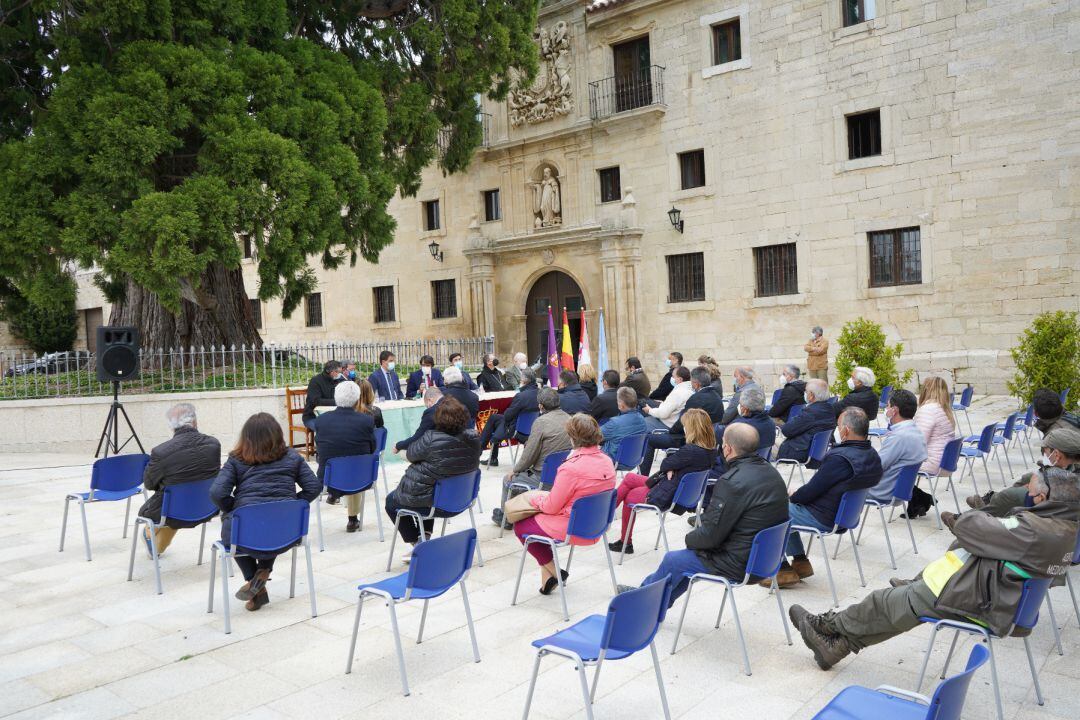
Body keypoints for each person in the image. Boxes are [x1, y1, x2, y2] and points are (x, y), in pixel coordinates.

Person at [788, 467, 1080, 671]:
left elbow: (968, 525)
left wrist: (986, 520)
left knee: (885, 603)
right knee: (898, 607)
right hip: (1003, 598)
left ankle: (828, 625)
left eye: (1029, 493)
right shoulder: (1065, 529)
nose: (1026, 498)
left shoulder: (1031, 528)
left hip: (981, 600)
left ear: (1043, 499)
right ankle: (834, 646)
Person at [619, 424, 789, 607]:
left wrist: (690, 539)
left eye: (722, 443)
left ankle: (640, 601)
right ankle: (651, 599)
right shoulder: (772, 472)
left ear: (728, 448)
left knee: (675, 560)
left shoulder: (731, 482)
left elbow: (710, 535)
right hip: (767, 560)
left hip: (739, 563)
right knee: (688, 559)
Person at [210, 413, 322, 612]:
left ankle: (254, 580)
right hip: (287, 530)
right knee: (271, 523)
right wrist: (292, 507)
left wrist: (232, 507)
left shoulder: (236, 459)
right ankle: (262, 572)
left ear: (246, 437)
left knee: (234, 528)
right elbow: (314, 487)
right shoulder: (292, 457)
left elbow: (217, 493)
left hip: (246, 531)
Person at [773, 407, 883, 587]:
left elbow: (810, 491)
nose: (836, 430)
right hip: (844, 515)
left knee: (773, 510)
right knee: (786, 509)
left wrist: (793, 496)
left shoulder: (839, 458)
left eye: (838, 426)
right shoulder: (872, 455)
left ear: (846, 430)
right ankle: (800, 563)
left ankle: (783, 569)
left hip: (824, 517)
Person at [513, 414, 616, 595]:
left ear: (572, 438)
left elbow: (551, 507)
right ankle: (548, 581)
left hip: (573, 527)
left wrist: (535, 498)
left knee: (521, 525)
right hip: (597, 524)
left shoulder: (571, 468)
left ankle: (556, 572)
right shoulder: (607, 461)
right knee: (537, 524)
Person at [384, 397, 481, 563]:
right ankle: (424, 537)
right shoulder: (473, 437)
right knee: (428, 487)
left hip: (436, 502)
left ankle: (418, 543)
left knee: (391, 502)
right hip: (461, 499)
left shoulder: (430, 438)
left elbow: (411, 454)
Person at [608, 408, 717, 555]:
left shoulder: (690, 451)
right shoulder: (710, 450)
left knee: (629, 496)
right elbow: (669, 464)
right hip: (676, 490)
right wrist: (671, 467)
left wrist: (670, 467)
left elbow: (666, 463)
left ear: (692, 428)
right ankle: (607, 515)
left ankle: (622, 538)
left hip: (667, 494)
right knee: (629, 478)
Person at [137, 403, 221, 557]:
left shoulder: (160, 452)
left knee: (167, 505)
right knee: (177, 499)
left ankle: (152, 538)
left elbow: (149, 484)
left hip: (174, 512)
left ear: (171, 426)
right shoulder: (214, 444)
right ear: (195, 422)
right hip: (208, 508)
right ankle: (156, 545)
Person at [492, 387, 572, 527]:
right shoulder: (569, 418)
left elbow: (529, 455)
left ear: (541, 405)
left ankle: (506, 518)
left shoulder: (541, 422)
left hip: (542, 477)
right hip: (561, 474)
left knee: (508, 479)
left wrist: (515, 470)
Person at [970, 428, 1080, 517]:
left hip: (1060, 515)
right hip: (1063, 505)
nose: (1045, 456)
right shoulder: (1072, 465)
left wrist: (1033, 496)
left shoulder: (1073, 479)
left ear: (1057, 454)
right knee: (1027, 478)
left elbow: (1060, 497)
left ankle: (970, 521)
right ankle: (992, 505)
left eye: (1046, 453)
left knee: (1009, 495)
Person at [313, 381, 377, 532]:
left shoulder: (321, 420)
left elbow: (320, 447)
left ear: (336, 397)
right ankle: (352, 519)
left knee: (341, 465)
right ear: (357, 398)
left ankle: (337, 498)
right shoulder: (366, 420)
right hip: (361, 478)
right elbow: (372, 448)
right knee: (354, 467)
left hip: (328, 479)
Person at [639, 367, 725, 476]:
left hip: (691, 440)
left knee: (649, 439)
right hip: (709, 440)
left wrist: (670, 433)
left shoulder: (696, 398)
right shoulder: (717, 397)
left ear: (696, 383)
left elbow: (682, 422)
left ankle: (642, 476)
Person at [866, 389, 928, 505]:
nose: (886, 410)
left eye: (888, 406)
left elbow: (876, 467)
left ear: (894, 410)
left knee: (835, 487)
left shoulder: (899, 437)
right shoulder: (916, 431)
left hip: (881, 491)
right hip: (898, 490)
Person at [480, 368, 539, 468]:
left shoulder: (521, 396)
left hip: (517, 430)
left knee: (494, 420)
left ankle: (482, 450)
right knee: (494, 418)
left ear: (524, 380)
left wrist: (507, 411)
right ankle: (491, 456)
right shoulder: (540, 393)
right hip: (533, 427)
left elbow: (508, 416)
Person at [777, 379, 837, 466]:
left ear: (811, 395)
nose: (804, 393)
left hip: (801, 452)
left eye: (806, 391)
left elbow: (786, 431)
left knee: (767, 444)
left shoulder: (810, 412)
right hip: (818, 451)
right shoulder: (830, 408)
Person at [913, 376, 957, 475]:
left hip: (932, 464)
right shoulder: (945, 410)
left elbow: (919, 443)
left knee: (892, 465)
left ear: (925, 390)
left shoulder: (927, 410)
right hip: (946, 463)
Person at [600, 387, 647, 462]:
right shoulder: (642, 420)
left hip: (612, 460)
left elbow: (593, 436)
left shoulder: (614, 423)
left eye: (618, 400)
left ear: (621, 405)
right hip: (634, 460)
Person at [642, 366, 693, 432]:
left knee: (641, 423)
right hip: (674, 423)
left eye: (673, 376)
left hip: (667, 425)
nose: (671, 378)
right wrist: (663, 403)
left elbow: (663, 414)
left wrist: (649, 410)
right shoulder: (690, 390)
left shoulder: (678, 393)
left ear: (680, 379)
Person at [395, 386, 442, 453]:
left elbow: (418, 437)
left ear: (430, 400)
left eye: (427, 405)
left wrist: (398, 445)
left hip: (439, 451)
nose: (428, 407)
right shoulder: (454, 402)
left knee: (405, 452)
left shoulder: (432, 411)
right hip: (457, 448)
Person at [302, 360, 342, 429]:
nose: (339, 375)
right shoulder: (315, 381)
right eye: (338, 372)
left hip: (332, 416)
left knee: (345, 426)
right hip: (313, 416)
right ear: (331, 372)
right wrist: (336, 402)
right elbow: (316, 401)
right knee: (325, 429)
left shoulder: (337, 381)